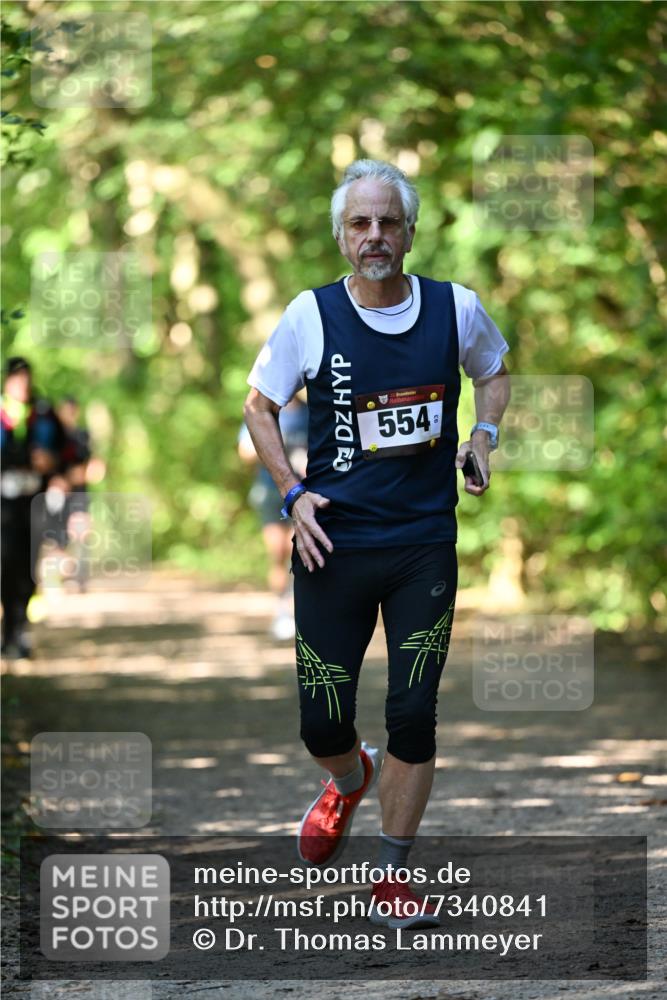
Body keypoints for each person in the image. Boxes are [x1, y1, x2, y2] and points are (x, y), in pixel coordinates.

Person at [244, 159, 510, 928]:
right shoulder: (310, 315)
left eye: (387, 222)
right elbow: (259, 406)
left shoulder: (454, 309)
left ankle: (392, 873)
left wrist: (482, 436)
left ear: (409, 231)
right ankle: (346, 776)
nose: (374, 237)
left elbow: (493, 374)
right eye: (359, 224)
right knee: (321, 720)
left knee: (414, 711)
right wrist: (293, 495)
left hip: (423, 541)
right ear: (340, 234)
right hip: (334, 544)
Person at [1, 357, 63, 658]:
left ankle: (20, 630)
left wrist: (51, 464)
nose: (21, 384)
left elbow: (66, 454)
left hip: (33, 502)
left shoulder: (44, 412)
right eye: (15, 378)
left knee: (27, 567)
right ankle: (7, 631)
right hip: (2, 504)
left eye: (25, 377)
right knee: (4, 566)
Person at [238, 396, 308, 640]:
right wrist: (275, 447)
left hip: (304, 494)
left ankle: (301, 612)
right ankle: (281, 612)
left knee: (297, 553)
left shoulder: (308, 412)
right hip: (270, 491)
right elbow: (245, 451)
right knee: (277, 553)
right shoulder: (262, 407)